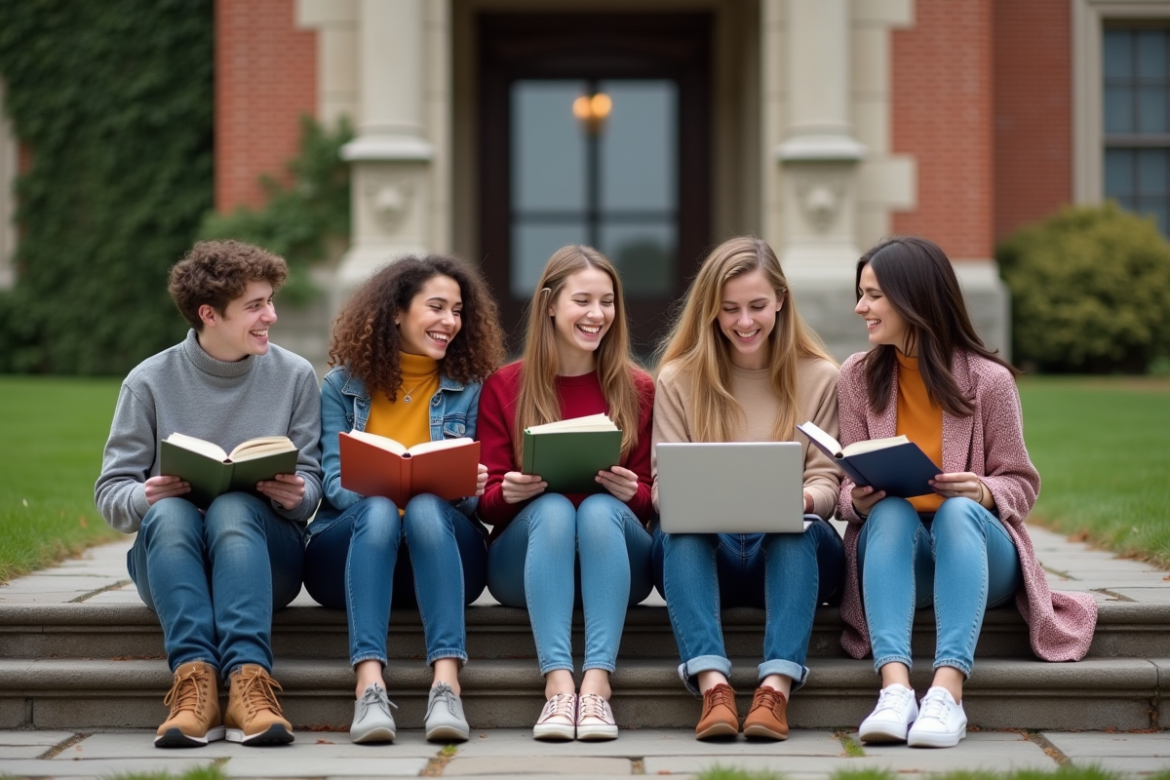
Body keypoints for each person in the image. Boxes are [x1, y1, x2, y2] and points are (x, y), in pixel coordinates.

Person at [838, 236, 1098, 748]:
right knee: (888, 511)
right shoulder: (856, 376)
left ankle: (947, 693)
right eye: (860, 294)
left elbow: (1021, 482)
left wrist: (981, 491)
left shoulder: (988, 380)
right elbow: (848, 482)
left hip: (978, 552)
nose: (860, 307)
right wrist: (857, 499)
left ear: (913, 299)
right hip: (899, 555)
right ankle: (894, 692)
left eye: (873, 296)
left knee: (958, 512)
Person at [95, 240, 323, 748]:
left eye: (270, 301)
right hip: (174, 562)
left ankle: (249, 683)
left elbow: (314, 488)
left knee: (235, 505)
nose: (272, 315)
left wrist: (296, 492)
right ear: (209, 314)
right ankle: (193, 683)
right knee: (173, 513)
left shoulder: (295, 376)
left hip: (267, 561)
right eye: (256, 306)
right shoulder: (148, 382)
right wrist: (146, 496)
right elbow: (111, 492)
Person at [302, 255, 505, 744]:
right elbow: (334, 484)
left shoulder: (472, 389)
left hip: (440, 552)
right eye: (436, 307)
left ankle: (446, 686)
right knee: (375, 507)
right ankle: (369, 686)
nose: (449, 322)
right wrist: (392, 481)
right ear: (396, 311)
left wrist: (468, 485)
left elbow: (475, 505)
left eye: (457, 311)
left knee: (427, 506)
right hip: (351, 552)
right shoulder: (341, 387)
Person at [650, 236, 845, 742]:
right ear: (710, 310)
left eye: (757, 306)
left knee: (797, 529)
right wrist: (684, 500)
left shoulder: (820, 376)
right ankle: (713, 686)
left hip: (786, 553)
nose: (744, 322)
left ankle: (775, 689)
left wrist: (799, 499)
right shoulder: (679, 378)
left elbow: (827, 478)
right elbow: (661, 484)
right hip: (704, 553)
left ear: (781, 299)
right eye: (729, 309)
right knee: (680, 530)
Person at [477, 245, 655, 742]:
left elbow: (653, 501)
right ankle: (559, 685)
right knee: (553, 507)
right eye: (583, 300)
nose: (597, 314)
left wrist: (631, 490)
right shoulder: (505, 386)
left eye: (607, 301)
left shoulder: (639, 388)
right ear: (550, 304)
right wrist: (511, 491)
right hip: (526, 561)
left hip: (619, 560)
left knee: (600, 508)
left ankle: (595, 686)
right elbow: (485, 502)